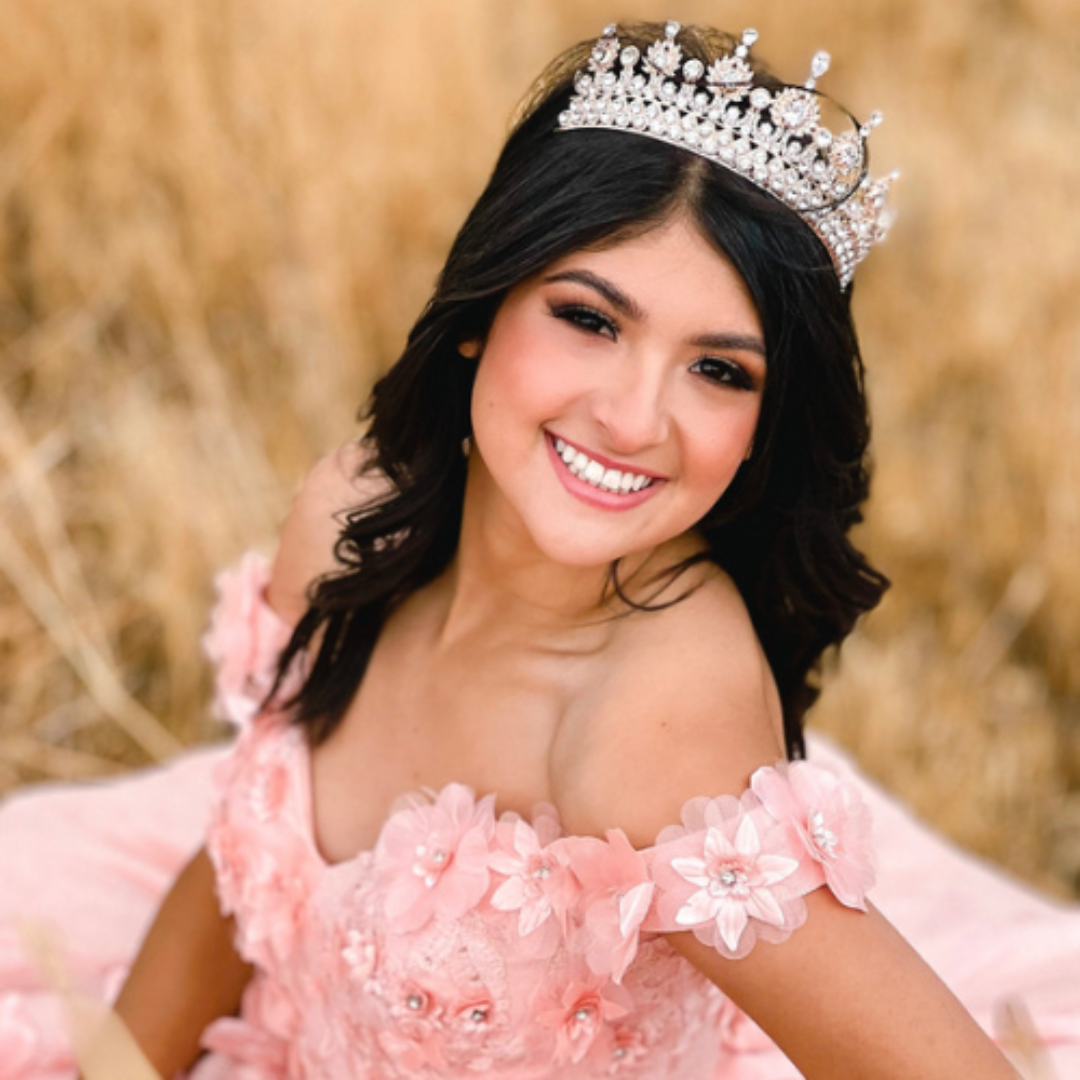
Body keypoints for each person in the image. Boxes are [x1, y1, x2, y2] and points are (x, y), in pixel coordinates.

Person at [2, 19, 1077, 1080]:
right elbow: (244, 864)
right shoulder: (349, 528)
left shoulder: (647, 730)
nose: (632, 418)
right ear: (480, 310)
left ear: (767, 427)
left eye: (719, 371)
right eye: (590, 319)